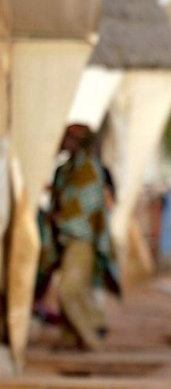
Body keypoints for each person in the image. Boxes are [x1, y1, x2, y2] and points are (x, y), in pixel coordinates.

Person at [46, 124, 120, 350]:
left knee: (69, 290)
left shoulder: (88, 169)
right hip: (66, 239)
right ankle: (71, 337)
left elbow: (86, 206)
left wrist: (62, 217)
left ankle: (92, 336)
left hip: (81, 239)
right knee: (73, 288)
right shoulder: (66, 169)